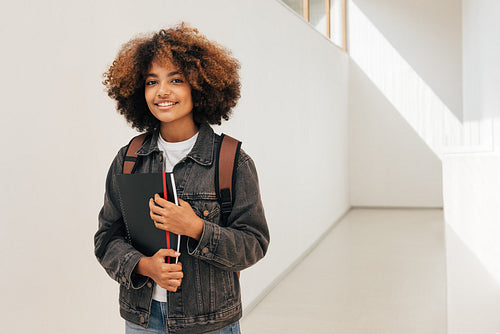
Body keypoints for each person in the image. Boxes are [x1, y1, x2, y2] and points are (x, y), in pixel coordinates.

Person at [94, 23, 269, 334]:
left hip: (210, 322)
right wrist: (144, 266)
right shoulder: (129, 158)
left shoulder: (231, 161)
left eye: (175, 80)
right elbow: (106, 239)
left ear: (199, 87)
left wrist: (196, 228)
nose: (162, 91)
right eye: (152, 82)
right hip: (142, 320)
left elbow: (253, 244)